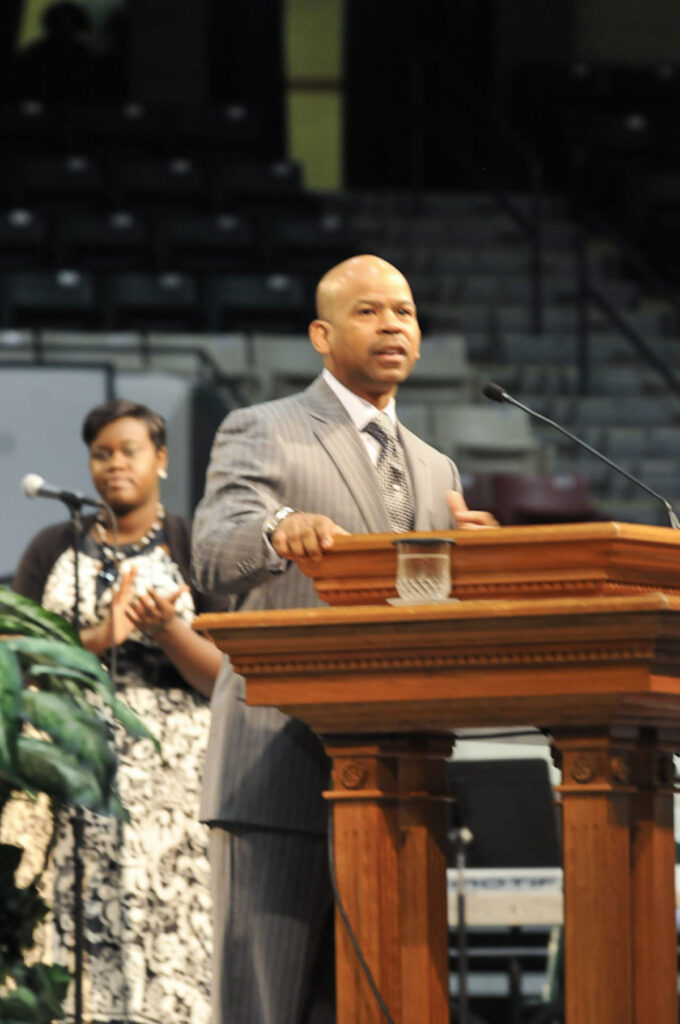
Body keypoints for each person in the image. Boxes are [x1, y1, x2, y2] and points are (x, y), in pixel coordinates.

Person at [191, 254, 497, 1024]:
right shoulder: (264, 429)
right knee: (268, 1005)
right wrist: (274, 529)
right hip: (277, 763)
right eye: (369, 311)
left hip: (400, 773)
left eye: (405, 311)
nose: (394, 324)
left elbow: (422, 606)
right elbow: (213, 549)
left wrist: (485, 570)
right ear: (321, 335)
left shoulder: (434, 468)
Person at [12, 398, 228, 1024]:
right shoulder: (53, 544)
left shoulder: (195, 545)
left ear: (160, 459)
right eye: (101, 453)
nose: (113, 465)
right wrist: (96, 641)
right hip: (71, 765)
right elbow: (12, 658)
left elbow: (229, 679)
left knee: (171, 925)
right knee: (72, 921)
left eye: (128, 450)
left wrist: (168, 632)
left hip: (176, 778)